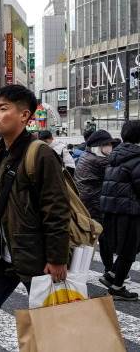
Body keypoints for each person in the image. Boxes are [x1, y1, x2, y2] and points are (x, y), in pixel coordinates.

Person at [0, 85, 70, 351]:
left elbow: (56, 210)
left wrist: (57, 258)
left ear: (24, 115)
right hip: (4, 255)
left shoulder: (40, 153)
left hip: (37, 257)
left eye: (4, 108)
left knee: (49, 319)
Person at [98, 121, 140, 300]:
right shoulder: (136, 158)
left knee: (127, 248)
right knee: (129, 250)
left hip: (113, 210)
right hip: (129, 211)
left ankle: (112, 275)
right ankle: (116, 288)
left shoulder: (115, 156)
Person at [74, 129, 116, 277]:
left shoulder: (86, 155)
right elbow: (114, 168)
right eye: (108, 144)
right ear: (99, 146)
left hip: (86, 202)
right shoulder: (98, 160)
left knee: (91, 236)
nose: (110, 147)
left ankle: (107, 268)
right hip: (94, 203)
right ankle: (109, 269)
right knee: (103, 237)